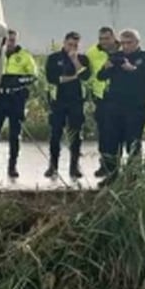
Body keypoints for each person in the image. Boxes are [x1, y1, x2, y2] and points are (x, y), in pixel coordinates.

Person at [97, 29, 145, 184]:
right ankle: (112, 176)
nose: (125, 46)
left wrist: (133, 70)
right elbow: (100, 76)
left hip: (135, 108)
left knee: (133, 143)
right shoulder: (116, 56)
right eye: (122, 43)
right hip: (114, 106)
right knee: (112, 143)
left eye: (129, 43)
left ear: (137, 42)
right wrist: (107, 67)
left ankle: (133, 177)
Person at [0, 29, 39, 179]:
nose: (10, 43)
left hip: (16, 99)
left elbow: (34, 75)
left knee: (15, 135)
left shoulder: (24, 56)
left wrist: (18, 81)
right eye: (7, 40)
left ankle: (12, 166)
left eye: (12, 40)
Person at [43, 31, 93, 179]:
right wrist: (72, 77)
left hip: (76, 101)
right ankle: (53, 166)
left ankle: (74, 166)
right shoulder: (54, 58)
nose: (72, 47)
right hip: (58, 101)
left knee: (76, 134)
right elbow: (52, 78)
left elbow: (85, 76)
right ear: (64, 43)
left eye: (75, 45)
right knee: (55, 134)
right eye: (69, 44)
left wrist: (75, 61)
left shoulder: (82, 59)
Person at [83, 27, 118, 177]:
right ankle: (105, 166)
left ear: (113, 38)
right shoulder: (92, 52)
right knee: (104, 135)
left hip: (121, 98)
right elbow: (88, 75)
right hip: (101, 99)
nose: (103, 42)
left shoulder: (122, 49)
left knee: (120, 135)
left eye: (106, 39)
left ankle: (122, 168)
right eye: (101, 39)